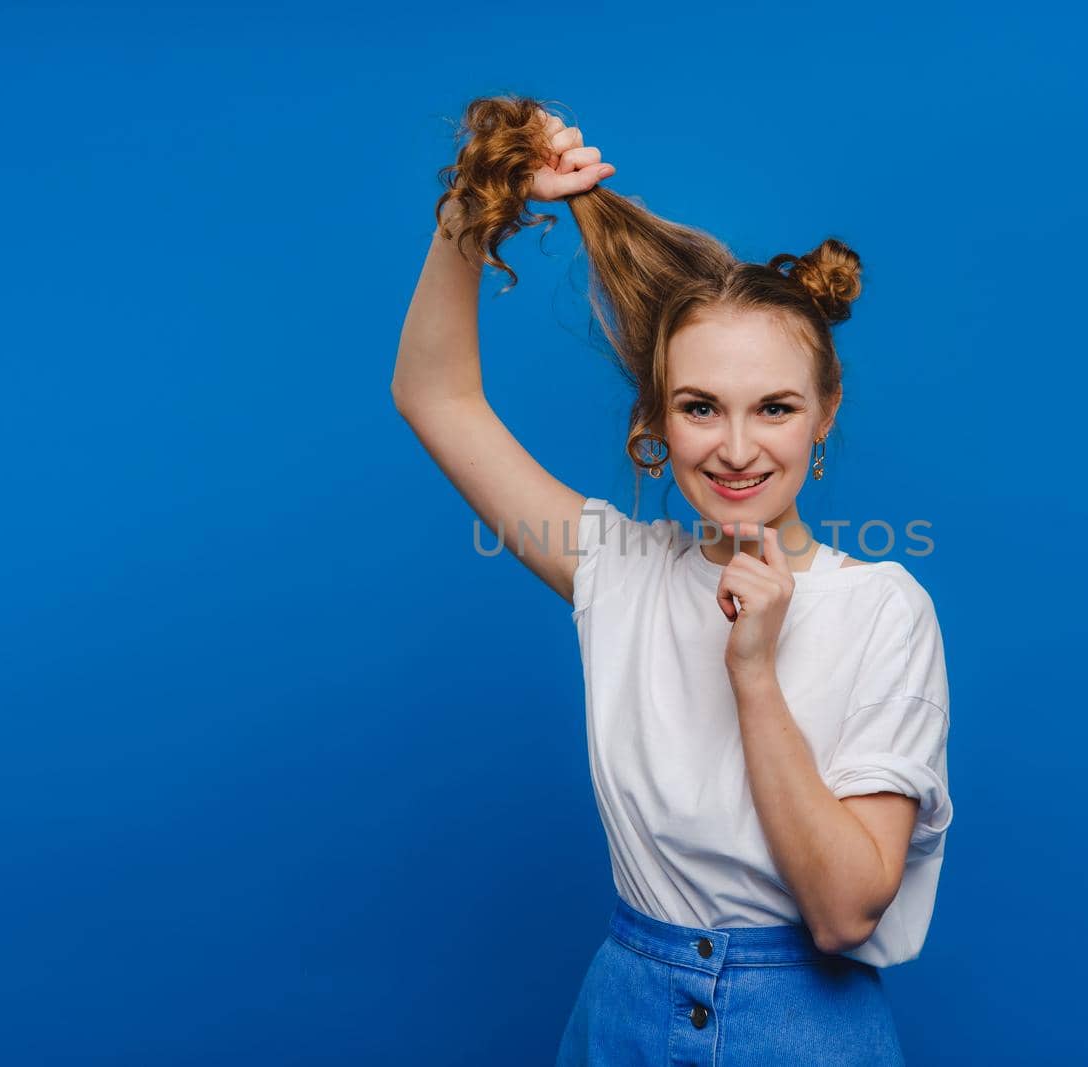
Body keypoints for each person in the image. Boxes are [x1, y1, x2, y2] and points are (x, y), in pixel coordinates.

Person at [392, 95, 953, 1066]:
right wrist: (471, 212)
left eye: (773, 407)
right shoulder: (616, 571)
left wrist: (753, 667)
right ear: (656, 420)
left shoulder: (882, 608)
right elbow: (435, 394)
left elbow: (843, 909)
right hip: (622, 1015)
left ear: (824, 415)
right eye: (700, 406)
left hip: (802, 1028)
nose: (736, 448)